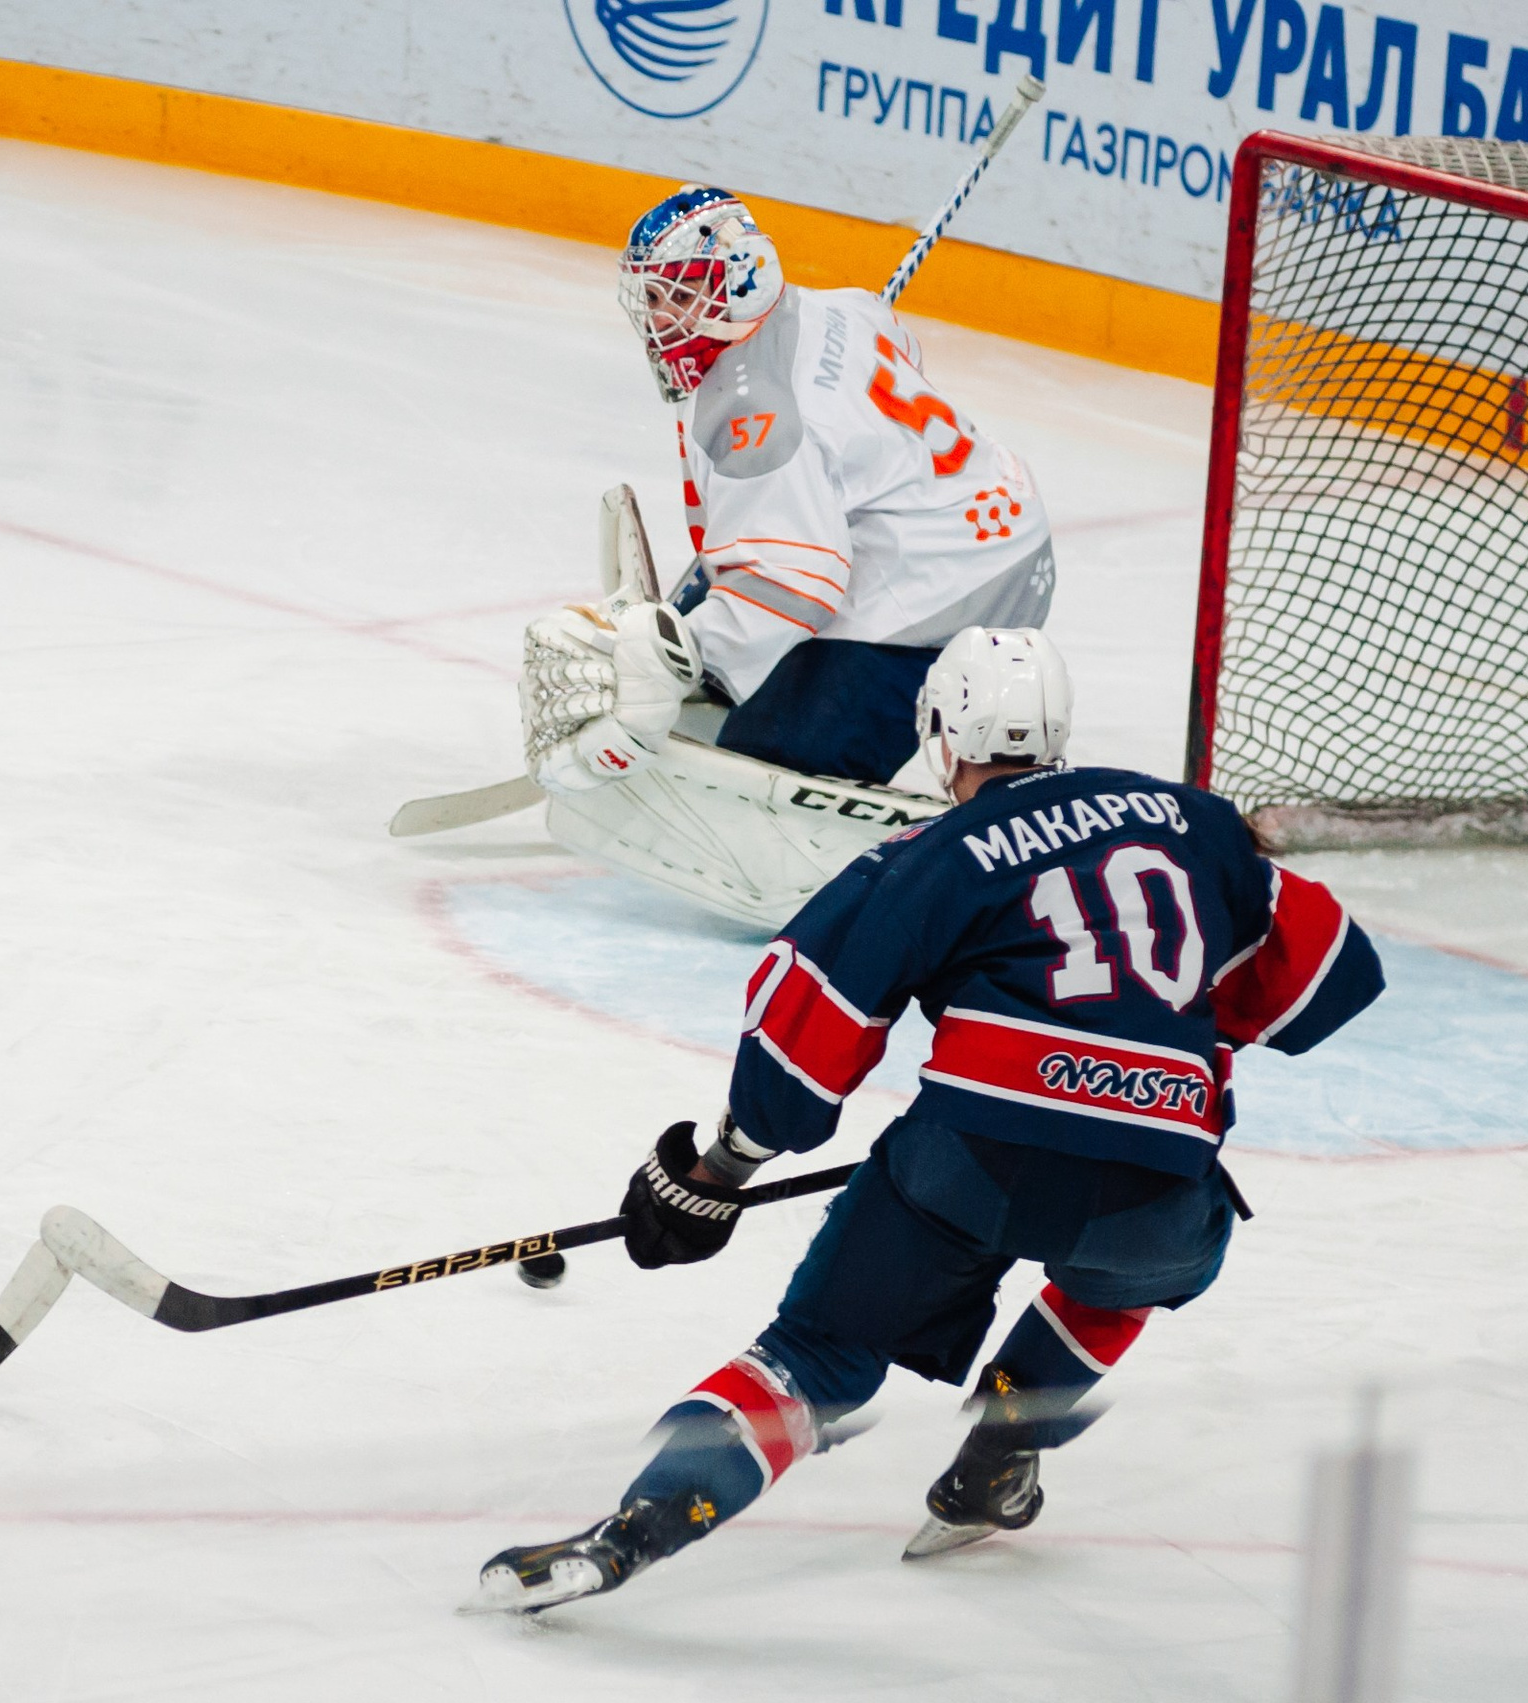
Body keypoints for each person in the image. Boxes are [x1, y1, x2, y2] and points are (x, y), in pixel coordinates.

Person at [471, 627, 1387, 1611]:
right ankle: (999, 1456)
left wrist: (720, 1171)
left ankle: (631, 1531)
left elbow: (806, 1018)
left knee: (816, 1356)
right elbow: (1336, 966)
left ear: (942, 738)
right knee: (1117, 1285)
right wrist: (1158, 1069)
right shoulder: (1195, 823)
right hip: (1159, 1177)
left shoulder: (928, 853)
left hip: (968, 1162)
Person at [524, 185, 1057, 795]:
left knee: (754, 773)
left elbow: (795, 586)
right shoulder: (841, 308)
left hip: (947, 593)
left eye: (672, 293)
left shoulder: (758, 413)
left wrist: (679, 659)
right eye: (649, 296)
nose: (656, 318)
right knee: (743, 562)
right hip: (998, 525)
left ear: (737, 277)